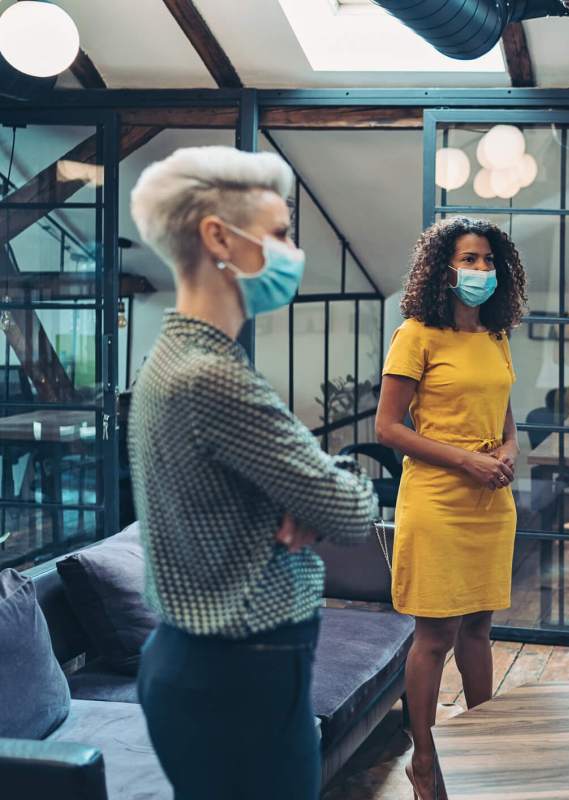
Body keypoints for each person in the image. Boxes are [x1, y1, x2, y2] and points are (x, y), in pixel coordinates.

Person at [128, 146, 379, 800]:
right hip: (239, 675)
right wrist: (317, 486)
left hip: (197, 666)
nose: (292, 251)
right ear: (218, 237)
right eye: (280, 233)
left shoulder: (172, 355)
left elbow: (314, 493)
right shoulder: (215, 379)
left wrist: (304, 487)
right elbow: (350, 512)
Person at [375, 216, 526, 800]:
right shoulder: (416, 333)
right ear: (443, 268)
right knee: (435, 635)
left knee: (480, 630)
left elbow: (505, 411)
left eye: (488, 261)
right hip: (438, 500)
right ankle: (426, 760)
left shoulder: (495, 334)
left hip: (492, 499)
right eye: (469, 260)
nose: (480, 271)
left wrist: (509, 450)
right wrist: (467, 462)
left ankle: (481, 745)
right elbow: (387, 428)